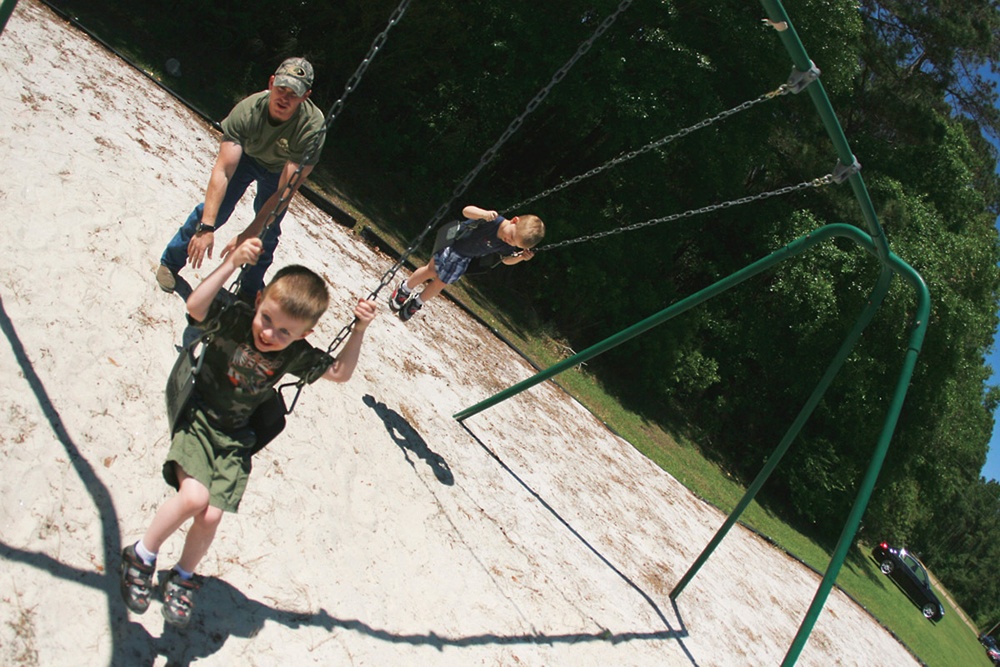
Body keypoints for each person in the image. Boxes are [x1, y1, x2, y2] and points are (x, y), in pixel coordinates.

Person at [120, 238, 377, 627]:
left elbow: (340, 373)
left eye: (285, 332)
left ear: (304, 335)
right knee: (195, 496)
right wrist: (232, 263)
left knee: (211, 516)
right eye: (268, 319)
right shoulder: (237, 318)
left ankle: (183, 577)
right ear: (259, 301)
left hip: (235, 438)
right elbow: (194, 306)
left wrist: (359, 328)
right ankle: (141, 554)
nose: (270, 334)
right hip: (199, 414)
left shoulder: (293, 354)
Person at [156, 57, 326, 302]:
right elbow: (223, 170)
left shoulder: (312, 129)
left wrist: (249, 234)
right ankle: (170, 262)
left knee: (268, 232)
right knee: (213, 211)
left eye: (294, 94)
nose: (284, 98)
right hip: (247, 156)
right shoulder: (248, 110)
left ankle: (249, 289)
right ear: (271, 83)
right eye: (281, 89)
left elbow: (284, 193)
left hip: (280, 171)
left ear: (305, 96)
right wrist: (207, 227)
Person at [389, 205, 545, 321]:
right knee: (431, 270)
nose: (509, 241)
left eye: (514, 243)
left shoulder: (507, 245)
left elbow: (506, 261)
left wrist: (520, 257)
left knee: (441, 283)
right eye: (511, 236)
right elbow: (466, 210)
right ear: (514, 221)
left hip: (464, 258)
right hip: (452, 244)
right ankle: (404, 289)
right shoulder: (493, 220)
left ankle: (418, 301)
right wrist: (483, 214)